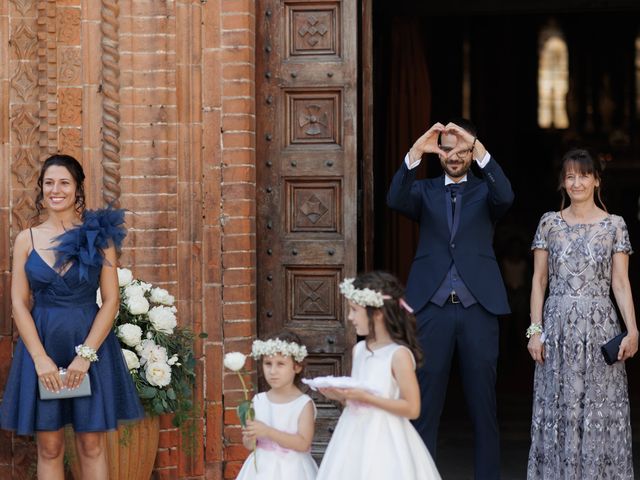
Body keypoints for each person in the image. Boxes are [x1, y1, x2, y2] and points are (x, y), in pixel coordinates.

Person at [0, 154, 144, 479]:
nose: (56, 189)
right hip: (43, 344)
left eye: (64, 182)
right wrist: (39, 359)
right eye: (49, 183)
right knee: (49, 446)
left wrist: (85, 356)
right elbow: (19, 303)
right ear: (41, 188)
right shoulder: (26, 239)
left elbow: (110, 301)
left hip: (89, 344)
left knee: (91, 444)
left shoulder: (99, 237)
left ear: (77, 188)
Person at [387, 120, 513, 479]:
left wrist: (480, 146)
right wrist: (415, 151)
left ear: (473, 153)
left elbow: (507, 196)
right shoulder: (423, 191)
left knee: (483, 405)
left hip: (479, 310)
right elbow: (394, 198)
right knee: (425, 403)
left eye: (462, 150)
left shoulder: (486, 192)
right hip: (432, 309)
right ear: (437, 152)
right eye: (446, 149)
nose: (454, 156)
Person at [526, 148, 637, 479]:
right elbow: (539, 281)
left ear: (596, 180)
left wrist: (633, 330)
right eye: (570, 176)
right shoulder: (549, 223)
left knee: (601, 409)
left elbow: (620, 282)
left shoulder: (615, 226)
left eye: (583, 175)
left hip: (601, 327)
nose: (576, 182)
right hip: (558, 327)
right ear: (563, 182)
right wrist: (535, 331)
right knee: (557, 408)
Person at [316, 271, 441, 480]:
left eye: (354, 310)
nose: (350, 317)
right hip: (352, 435)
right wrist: (341, 396)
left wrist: (366, 398)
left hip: (385, 437)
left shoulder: (398, 355)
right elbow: (356, 398)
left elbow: (412, 408)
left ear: (378, 313)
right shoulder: (359, 350)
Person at [236, 330, 318, 480]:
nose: (273, 371)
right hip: (261, 470)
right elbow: (249, 445)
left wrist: (268, 432)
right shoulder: (258, 401)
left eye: (281, 364)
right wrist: (250, 435)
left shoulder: (303, 404)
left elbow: (303, 444)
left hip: (294, 470)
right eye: (268, 364)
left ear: (297, 367)